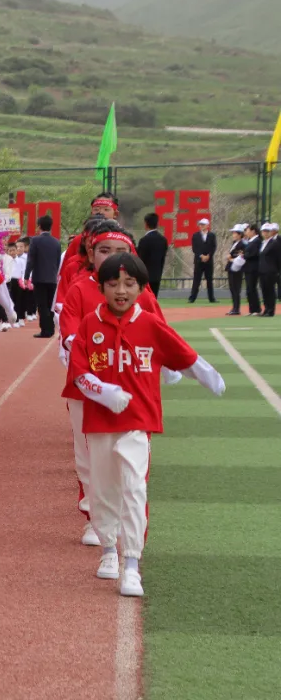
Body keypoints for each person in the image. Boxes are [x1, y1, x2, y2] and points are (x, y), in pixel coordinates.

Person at [69, 252, 224, 597]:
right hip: (99, 423)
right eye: (113, 284)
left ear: (141, 287)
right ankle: (109, 551)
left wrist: (205, 374)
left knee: (134, 488)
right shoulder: (89, 325)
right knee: (103, 488)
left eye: (129, 284)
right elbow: (79, 375)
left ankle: (133, 563)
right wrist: (103, 391)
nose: (121, 291)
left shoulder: (150, 324)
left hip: (138, 421)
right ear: (102, 287)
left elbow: (181, 354)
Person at [58, 222, 166, 547]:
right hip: (86, 391)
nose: (114, 258)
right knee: (88, 458)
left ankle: (126, 530)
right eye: (105, 251)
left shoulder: (141, 293)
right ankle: (94, 516)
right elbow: (70, 336)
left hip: (132, 392)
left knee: (131, 463)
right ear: (92, 253)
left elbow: (159, 334)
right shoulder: (79, 289)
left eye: (121, 252)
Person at [25, 214, 61, 338]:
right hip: (52, 277)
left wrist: (26, 276)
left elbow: (31, 260)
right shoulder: (56, 242)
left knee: (41, 305)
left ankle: (45, 330)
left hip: (39, 277)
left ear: (39, 226)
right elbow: (58, 261)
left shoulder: (35, 240)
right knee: (50, 304)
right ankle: (50, 329)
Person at [136, 212, 168, 297]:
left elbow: (140, 259)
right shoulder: (163, 240)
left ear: (146, 224)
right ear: (157, 224)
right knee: (154, 299)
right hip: (157, 275)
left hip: (144, 276)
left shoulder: (144, 240)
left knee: (145, 300)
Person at [188, 218, 217, 303]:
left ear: (207, 225)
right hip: (198, 261)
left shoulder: (212, 235)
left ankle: (211, 298)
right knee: (196, 280)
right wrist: (201, 256)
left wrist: (208, 255)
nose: (201, 226)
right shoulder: (195, 235)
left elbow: (213, 247)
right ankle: (192, 298)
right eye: (200, 224)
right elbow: (194, 248)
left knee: (209, 280)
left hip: (209, 261)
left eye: (203, 224)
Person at [225, 224, 247, 316]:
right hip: (231, 267)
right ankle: (234, 307)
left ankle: (236, 308)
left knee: (236, 288)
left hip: (237, 268)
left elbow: (240, 257)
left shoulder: (242, 244)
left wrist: (231, 258)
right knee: (232, 288)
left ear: (240, 234)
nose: (233, 235)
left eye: (235, 233)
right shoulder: (235, 243)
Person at [242, 224, 262, 316]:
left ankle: (256, 309)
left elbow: (254, 254)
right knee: (249, 289)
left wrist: (244, 255)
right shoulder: (250, 241)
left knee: (252, 288)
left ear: (253, 231)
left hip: (253, 267)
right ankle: (252, 309)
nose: (246, 232)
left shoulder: (257, 241)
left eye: (248, 230)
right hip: (248, 267)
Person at [260, 222, 279, 317]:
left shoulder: (274, 243)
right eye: (264, 231)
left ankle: (271, 310)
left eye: (268, 231)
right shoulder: (263, 243)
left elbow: (278, 257)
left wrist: (277, 270)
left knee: (270, 290)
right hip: (262, 270)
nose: (266, 233)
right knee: (264, 290)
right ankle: (266, 308)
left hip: (271, 271)